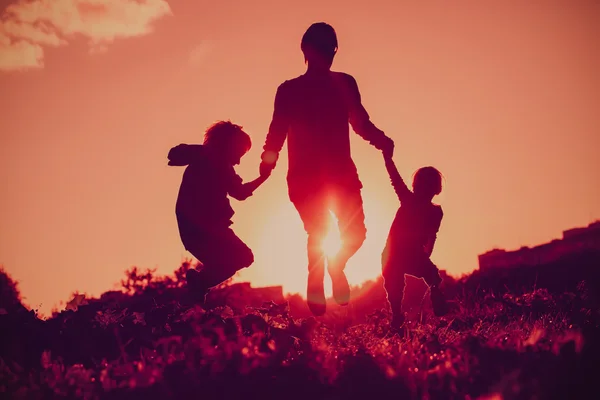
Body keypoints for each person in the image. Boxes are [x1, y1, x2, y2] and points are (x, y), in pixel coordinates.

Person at [259, 22, 394, 316]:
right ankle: (316, 279)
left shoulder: (344, 83)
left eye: (331, 49)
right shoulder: (289, 90)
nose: (328, 54)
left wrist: (381, 139)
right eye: (323, 49)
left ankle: (335, 265)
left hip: (337, 175)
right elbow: (276, 132)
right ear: (306, 51)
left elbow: (359, 123)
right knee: (319, 229)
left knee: (355, 233)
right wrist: (265, 166)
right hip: (307, 178)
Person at [167, 120, 271, 302]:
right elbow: (240, 193)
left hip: (196, 230)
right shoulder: (215, 162)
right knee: (242, 257)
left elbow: (175, 154)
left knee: (232, 261)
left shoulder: (211, 160)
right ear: (229, 147)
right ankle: (198, 284)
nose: (238, 161)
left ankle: (196, 292)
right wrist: (264, 177)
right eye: (239, 154)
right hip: (205, 229)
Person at [381, 154, 449, 333]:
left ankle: (396, 316)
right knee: (432, 274)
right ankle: (435, 290)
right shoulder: (436, 212)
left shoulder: (408, 199)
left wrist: (387, 157)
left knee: (394, 286)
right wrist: (426, 257)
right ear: (437, 188)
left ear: (415, 185)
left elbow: (394, 177)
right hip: (414, 254)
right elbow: (431, 237)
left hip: (393, 254)